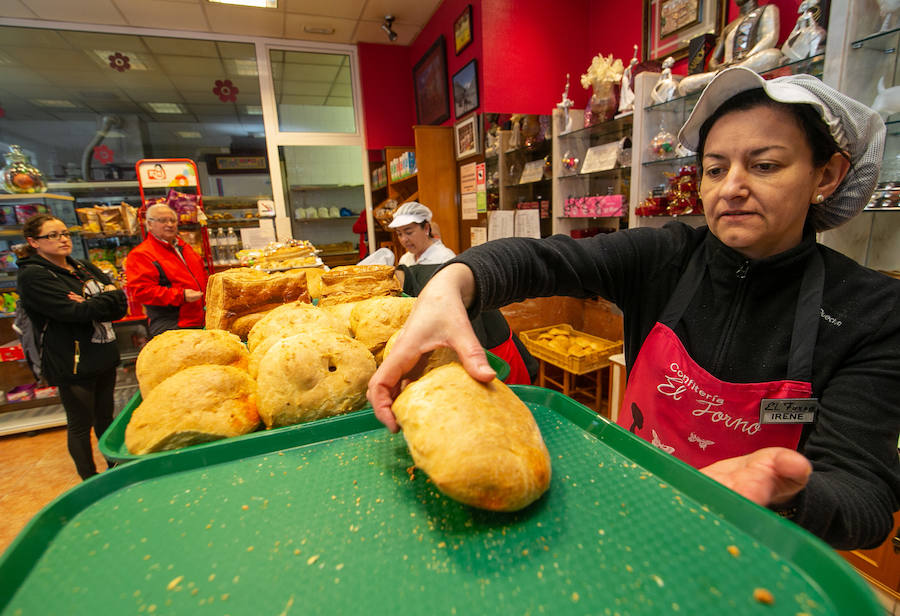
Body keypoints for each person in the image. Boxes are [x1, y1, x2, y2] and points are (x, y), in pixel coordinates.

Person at [368, 66, 899, 551]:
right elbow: (543, 259)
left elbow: (865, 495)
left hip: (754, 549)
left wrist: (786, 495)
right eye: (715, 170)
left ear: (826, 176)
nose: (732, 188)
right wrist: (451, 283)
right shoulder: (666, 256)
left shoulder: (871, 311)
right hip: (633, 516)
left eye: (764, 165)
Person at [16, 213, 128, 480]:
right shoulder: (33, 275)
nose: (62, 239)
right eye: (52, 235)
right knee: (80, 423)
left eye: (65, 233)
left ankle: (116, 471)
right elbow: (70, 312)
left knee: (105, 419)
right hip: (71, 360)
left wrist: (91, 302)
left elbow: (120, 303)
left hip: (102, 353)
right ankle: (89, 480)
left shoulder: (82, 267)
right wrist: (102, 298)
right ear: (34, 241)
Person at [125, 203, 208, 337]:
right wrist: (181, 295)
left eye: (173, 220)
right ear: (149, 224)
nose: (169, 224)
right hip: (172, 325)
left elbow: (203, 275)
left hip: (200, 320)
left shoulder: (184, 247)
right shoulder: (141, 254)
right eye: (163, 220)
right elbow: (142, 292)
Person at [677, 0, 784, 96]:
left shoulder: (767, 10)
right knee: (684, 84)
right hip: (726, 69)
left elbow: (770, 38)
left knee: (773, 55)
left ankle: (732, 74)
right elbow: (714, 60)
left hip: (747, 63)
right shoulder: (728, 27)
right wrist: (717, 67)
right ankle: (729, 75)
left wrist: (746, 58)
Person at [387, 202, 456, 266]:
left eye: (409, 233)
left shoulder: (445, 259)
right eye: (399, 234)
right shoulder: (405, 260)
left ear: (426, 228)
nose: (404, 239)